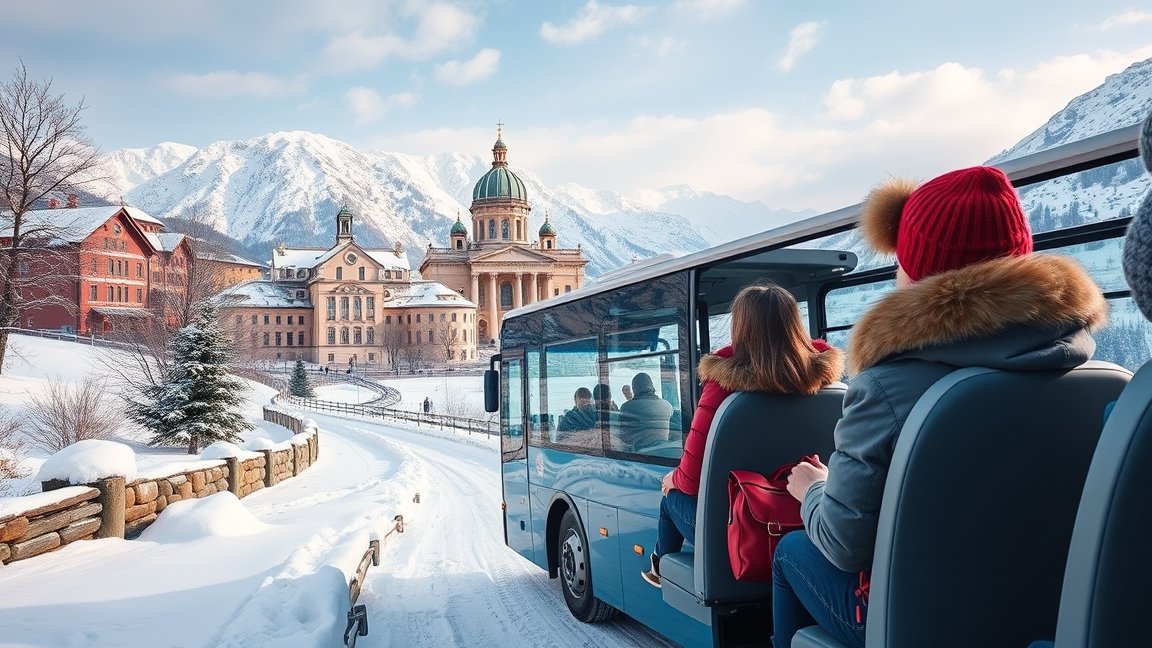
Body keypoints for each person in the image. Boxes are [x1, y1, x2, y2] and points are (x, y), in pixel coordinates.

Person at [772, 166, 1108, 648]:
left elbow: (845, 545)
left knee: (792, 550)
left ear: (916, 269)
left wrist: (812, 490)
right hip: (1061, 615)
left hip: (917, 624)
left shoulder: (886, 388)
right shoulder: (1096, 378)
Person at [641, 283, 844, 588]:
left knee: (671, 497)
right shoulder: (830, 386)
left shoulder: (722, 387)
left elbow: (693, 477)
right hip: (811, 515)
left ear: (741, 327)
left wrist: (674, 481)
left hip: (741, 525)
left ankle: (660, 566)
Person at [618, 372, 673, 450]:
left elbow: (624, 436)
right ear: (652, 386)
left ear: (634, 389)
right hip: (664, 449)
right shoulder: (667, 405)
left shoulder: (626, 407)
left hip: (639, 452)